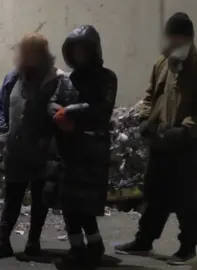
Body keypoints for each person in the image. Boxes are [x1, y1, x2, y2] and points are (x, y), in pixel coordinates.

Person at [114, 13, 197, 265]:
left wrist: (186, 129)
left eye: (174, 37)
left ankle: (188, 247)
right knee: (154, 194)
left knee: (187, 198)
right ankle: (144, 240)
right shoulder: (163, 63)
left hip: (185, 143)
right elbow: (152, 95)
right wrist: (144, 119)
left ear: (185, 38)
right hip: (160, 142)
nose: (169, 42)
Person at [0, 33, 67, 260]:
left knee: (40, 199)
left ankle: (33, 242)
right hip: (16, 148)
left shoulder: (56, 80)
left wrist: (48, 138)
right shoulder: (13, 78)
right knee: (13, 198)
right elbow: (0, 106)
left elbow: (61, 112)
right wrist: (1, 132)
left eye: (34, 52)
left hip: (42, 151)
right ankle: (2, 241)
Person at [46, 25, 117, 269]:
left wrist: (70, 115)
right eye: (74, 50)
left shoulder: (107, 78)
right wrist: (58, 115)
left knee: (85, 208)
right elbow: (53, 103)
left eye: (82, 50)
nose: (78, 55)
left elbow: (101, 108)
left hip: (90, 153)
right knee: (69, 207)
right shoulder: (68, 80)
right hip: (68, 153)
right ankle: (77, 249)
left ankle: (94, 247)